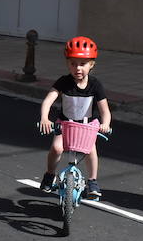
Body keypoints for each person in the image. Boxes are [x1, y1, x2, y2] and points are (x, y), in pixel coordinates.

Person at [37, 36, 113, 200]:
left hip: (87, 126)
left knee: (91, 150)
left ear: (91, 65)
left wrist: (105, 123)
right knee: (56, 148)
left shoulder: (95, 85)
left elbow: (104, 110)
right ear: (67, 64)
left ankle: (92, 181)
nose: (77, 68)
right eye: (73, 63)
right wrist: (45, 117)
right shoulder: (63, 82)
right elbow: (48, 100)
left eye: (82, 64)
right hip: (65, 123)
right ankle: (50, 175)